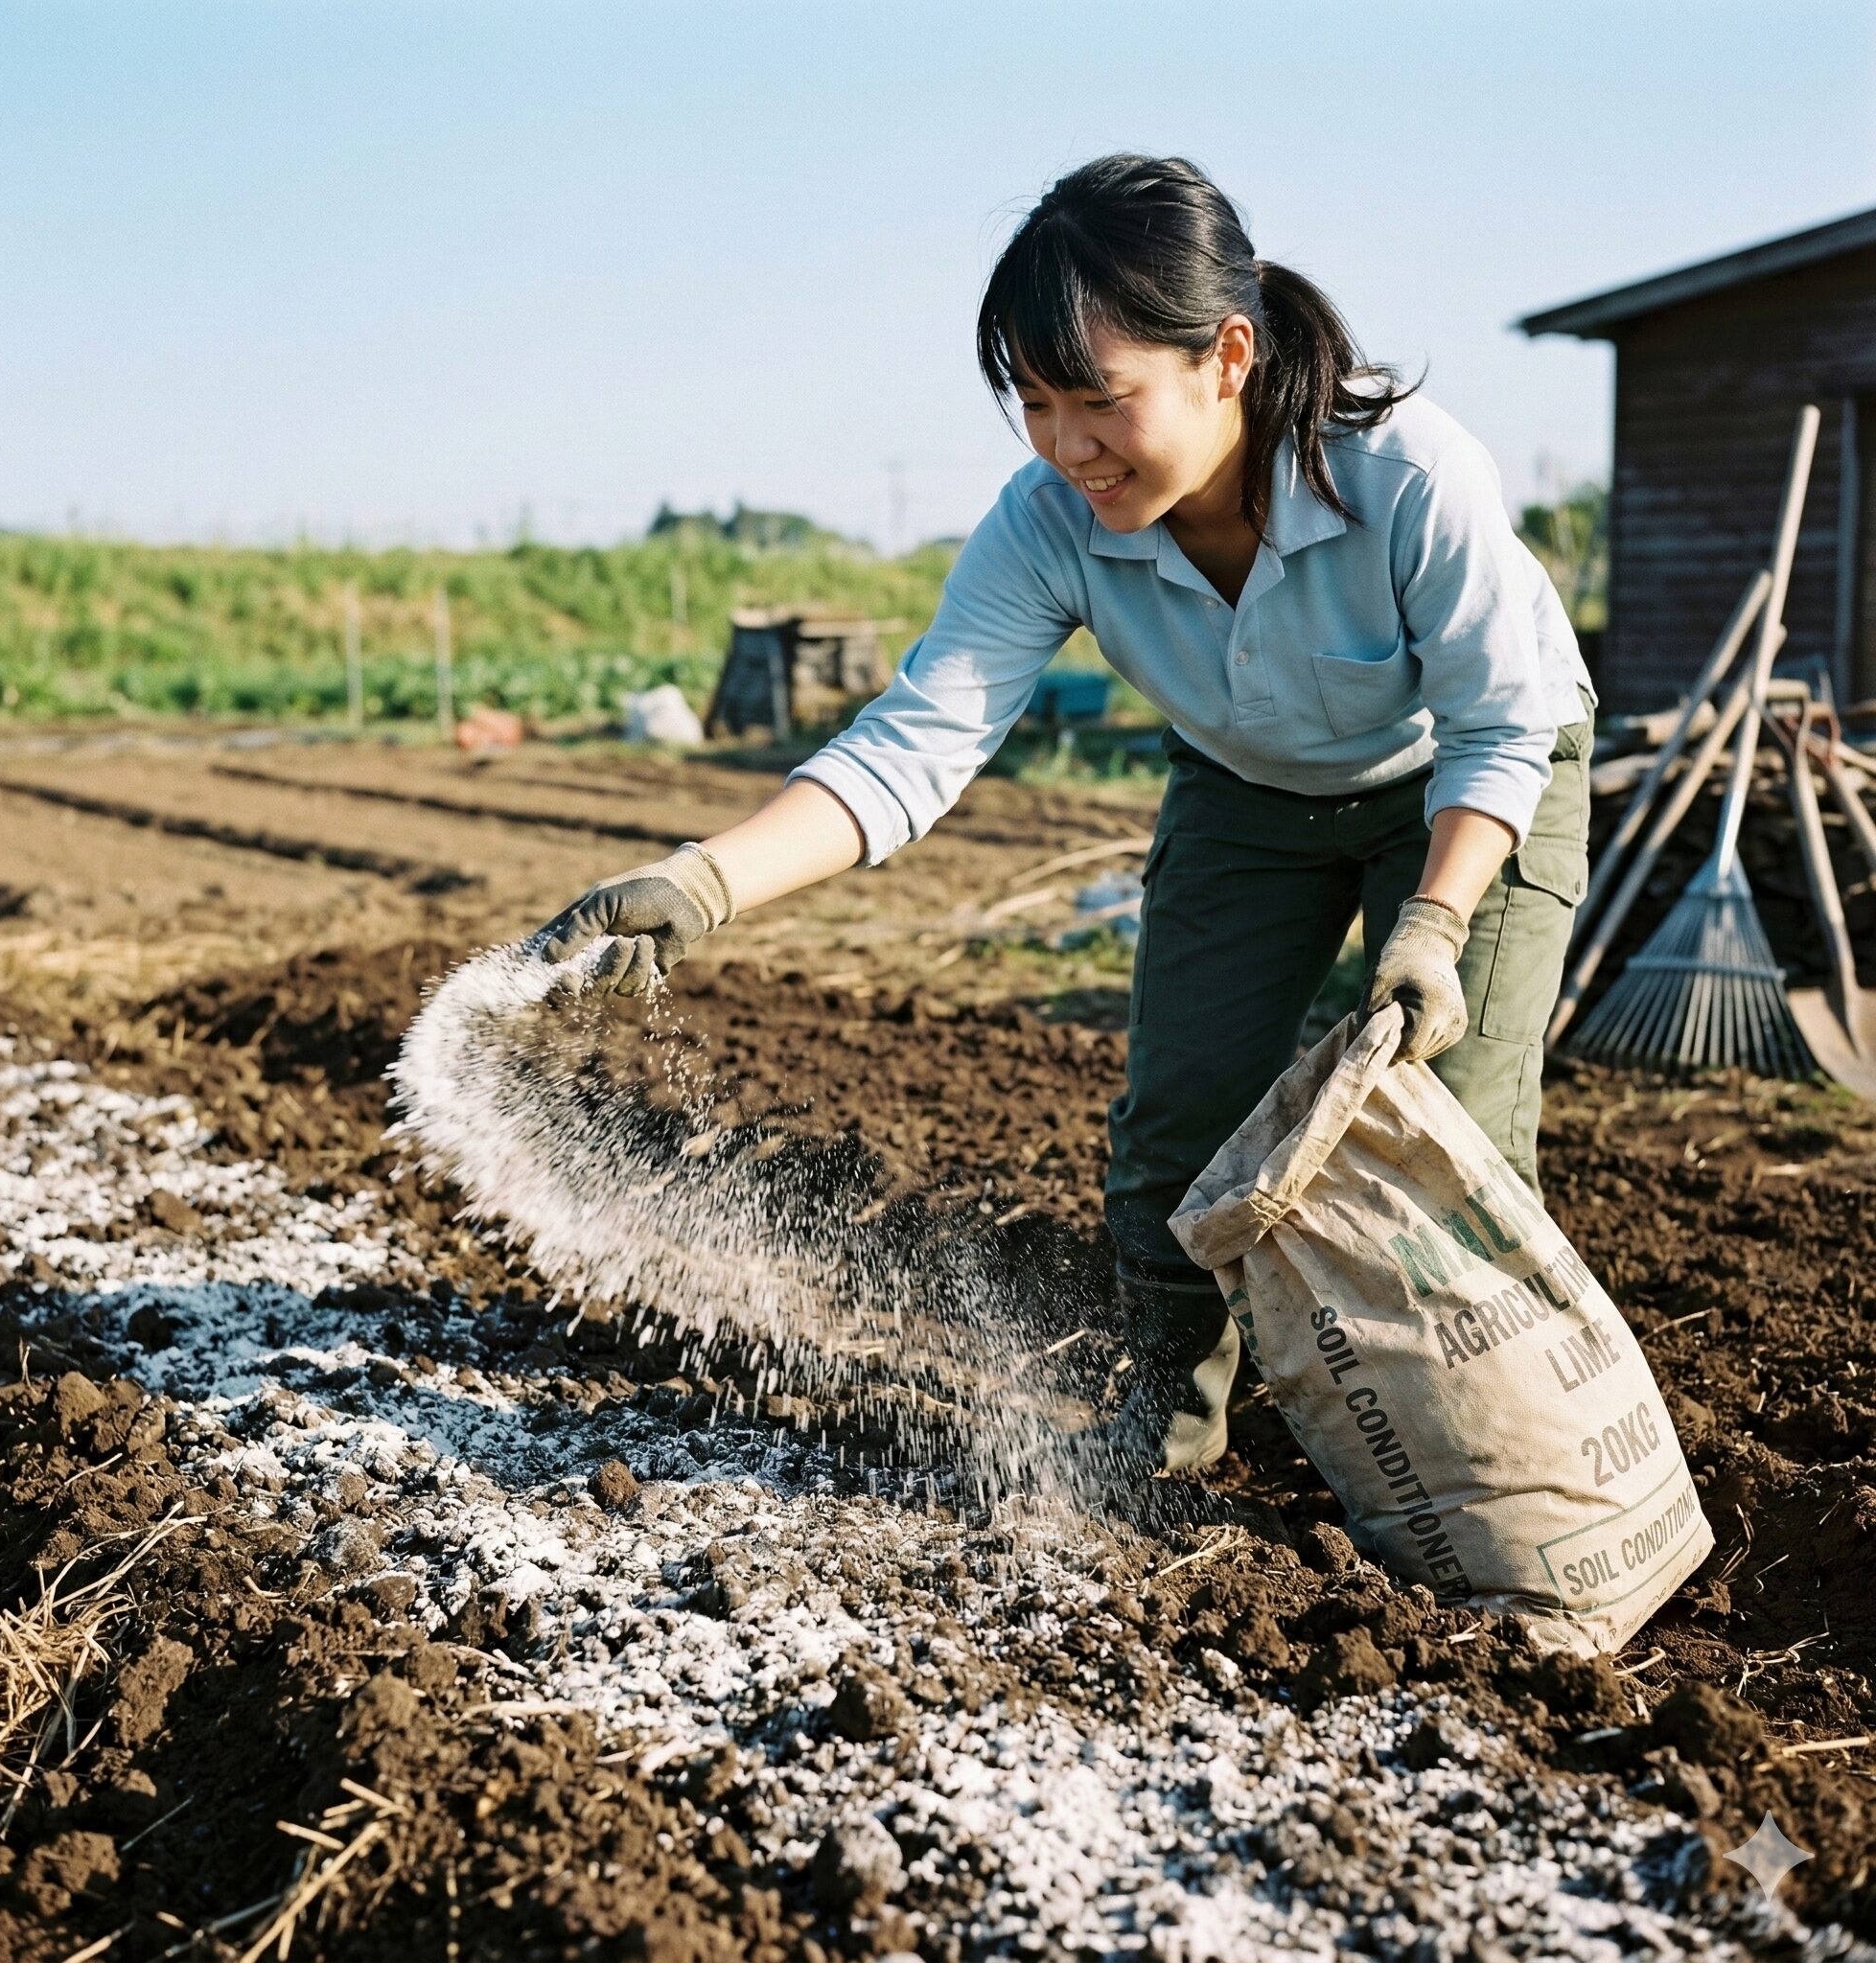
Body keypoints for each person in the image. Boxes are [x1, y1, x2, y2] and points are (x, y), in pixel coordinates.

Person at [532, 154, 1594, 1490]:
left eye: (1101, 401)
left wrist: (1435, 924)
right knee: (1179, 1117)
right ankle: (1173, 1411)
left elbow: (1502, 725)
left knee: (1456, 1127)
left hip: (1471, 784)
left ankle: (1485, 1465)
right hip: (1248, 792)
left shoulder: (1404, 475)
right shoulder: (1048, 524)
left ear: (1227, 353)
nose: (1067, 446)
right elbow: (916, 744)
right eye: (1034, 404)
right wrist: (701, 881)